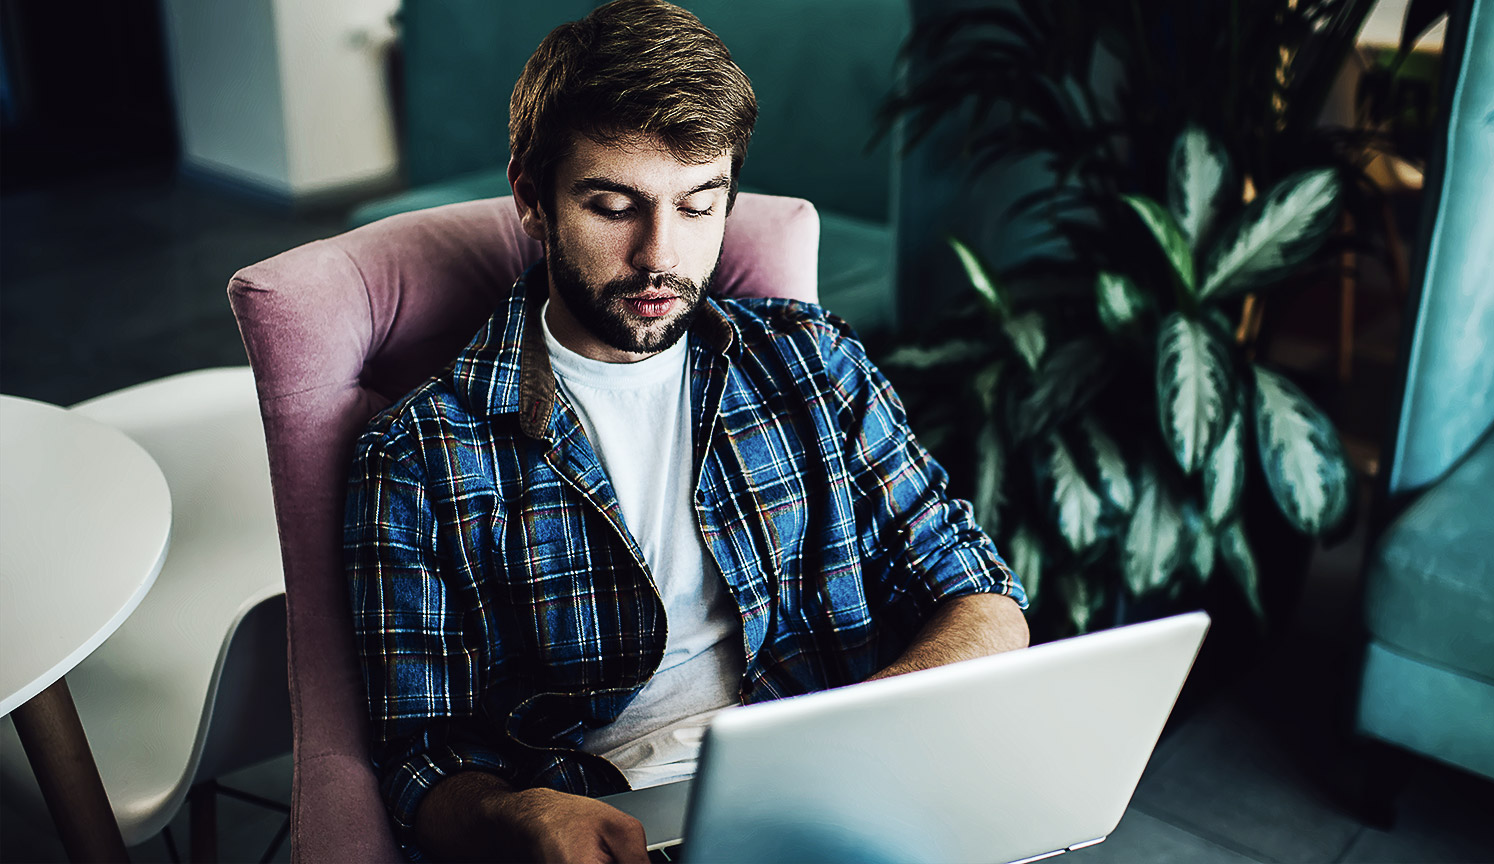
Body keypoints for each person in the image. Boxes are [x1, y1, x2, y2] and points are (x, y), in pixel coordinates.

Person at [343, 1, 1029, 861]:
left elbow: (981, 593)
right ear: (532, 198)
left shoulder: (815, 362)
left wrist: (867, 733)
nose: (659, 256)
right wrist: (513, 816)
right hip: (619, 824)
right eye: (613, 206)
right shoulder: (416, 456)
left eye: (699, 206)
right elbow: (419, 756)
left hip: (834, 790)